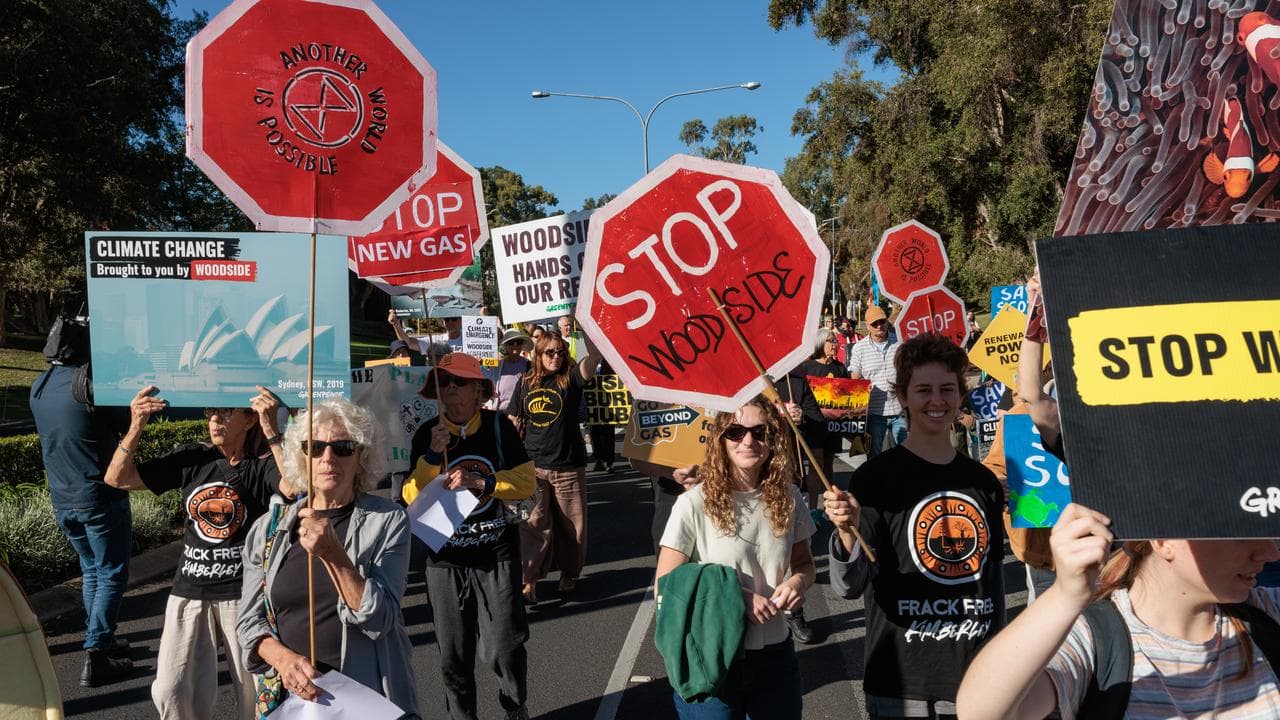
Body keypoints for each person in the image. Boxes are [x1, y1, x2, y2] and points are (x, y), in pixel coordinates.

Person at [823, 334, 1006, 719]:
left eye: (947, 389)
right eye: (924, 390)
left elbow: (993, 587)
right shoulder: (874, 479)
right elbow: (848, 585)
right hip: (901, 683)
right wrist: (845, 530)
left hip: (979, 681)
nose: (936, 401)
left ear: (960, 396)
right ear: (903, 397)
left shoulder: (984, 482)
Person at [956, 503, 1280, 719]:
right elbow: (983, 711)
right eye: (1242, 533)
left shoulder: (1267, 614)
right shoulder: (1097, 641)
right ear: (1166, 539)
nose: (1270, 551)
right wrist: (1066, 595)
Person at [104, 386, 287, 720]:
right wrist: (136, 425)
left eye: (225, 412)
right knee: (170, 690)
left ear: (249, 420)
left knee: (255, 694)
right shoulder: (193, 458)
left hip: (242, 596)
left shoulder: (260, 466)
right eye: (210, 412)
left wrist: (272, 429)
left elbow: (294, 487)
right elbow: (117, 478)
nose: (215, 419)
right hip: (189, 592)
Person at [237, 398, 417, 716]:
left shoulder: (388, 520)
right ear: (301, 457)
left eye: (344, 447)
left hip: (365, 695)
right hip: (290, 697)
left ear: (361, 456)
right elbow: (249, 621)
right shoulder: (269, 528)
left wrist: (333, 554)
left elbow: (381, 618)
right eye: (315, 447)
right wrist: (282, 659)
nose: (328, 457)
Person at [656, 397, 816, 718]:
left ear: (772, 439)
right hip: (711, 652)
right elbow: (666, 586)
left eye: (760, 432)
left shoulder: (790, 498)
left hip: (775, 656)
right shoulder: (693, 504)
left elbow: (804, 564)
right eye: (736, 432)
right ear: (720, 439)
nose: (748, 441)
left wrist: (799, 581)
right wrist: (736, 596)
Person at [403, 353, 536, 720]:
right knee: (452, 656)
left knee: (504, 646)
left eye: (459, 382)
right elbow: (411, 498)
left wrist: (485, 483)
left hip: (496, 552)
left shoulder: (498, 428)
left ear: (480, 391)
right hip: (445, 560)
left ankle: (514, 703)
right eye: (443, 382)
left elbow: (526, 483)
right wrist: (432, 455)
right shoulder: (428, 435)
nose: (450, 389)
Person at [29, 315, 133, 686]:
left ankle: (101, 639)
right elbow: (126, 422)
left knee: (92, 569)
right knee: (111, 572)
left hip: (62, 499)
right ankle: (98, 653)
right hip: (99, 496)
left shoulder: (39, 386)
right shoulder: (87, 384)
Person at [508, 332, 601, 604]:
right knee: (532, 524)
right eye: (550, 352)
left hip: (568, 466)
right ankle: (529, 581)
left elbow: (594, 357)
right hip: (532, 467)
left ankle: (568, 574)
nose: (556, 357)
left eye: (560, 352)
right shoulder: (524, 382)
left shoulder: (570, 378)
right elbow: (514, 416)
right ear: (538, 355)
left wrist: (585, 324)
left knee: (572, 527)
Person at [847, 305, 906, 457]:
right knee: (874, 457)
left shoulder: (900, 343)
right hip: (874, 412)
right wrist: (862, 387)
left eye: (882, 321)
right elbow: (854, 375)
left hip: (899, 410)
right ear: (867, 326)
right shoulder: (859, 348)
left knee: (908, 454)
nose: (879, 326)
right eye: (875, 323)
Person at [488, 328, 532, 414]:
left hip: (522, 416)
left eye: (518, 342)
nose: (515, 345)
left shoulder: (530, 366)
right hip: (500, 416)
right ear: (505, 346)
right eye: (511, 342)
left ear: (522, 345)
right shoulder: (496, 367)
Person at [388, 309, 463, 355]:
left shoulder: (470, 339)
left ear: (460, 321)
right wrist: (396, 324)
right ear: (443, 322)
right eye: (447, 319)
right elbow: (410, 343)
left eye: (454, 319)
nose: (450, 322)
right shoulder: (436, 341)